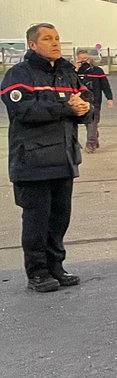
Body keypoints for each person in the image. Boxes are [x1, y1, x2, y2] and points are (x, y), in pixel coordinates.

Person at [3, 23, 90, 292]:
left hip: (64, 159)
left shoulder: (67, 72)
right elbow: (24, 111)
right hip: (33, 162)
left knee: (59, 219)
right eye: (47, 39)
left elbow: (84, 102)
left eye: (57, 38)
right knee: (37, 220)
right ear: (32, 45)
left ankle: (56, 267)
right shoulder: (19, 74)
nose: (55, 43)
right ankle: (37, 272)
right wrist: (65, 107)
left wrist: (85, 109)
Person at [75, 49, 114, 153]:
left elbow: (105, 86)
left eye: (86, 59)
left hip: (95, 101)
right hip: (78, 101)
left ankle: (90, 144)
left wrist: (109, 98)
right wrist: (75, 70)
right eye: (81, 59)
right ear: (77, 59)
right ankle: (93, 136)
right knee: (86, 123)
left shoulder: (98, 71)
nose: (84, 61)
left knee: (92, 122)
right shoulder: (73, 72)